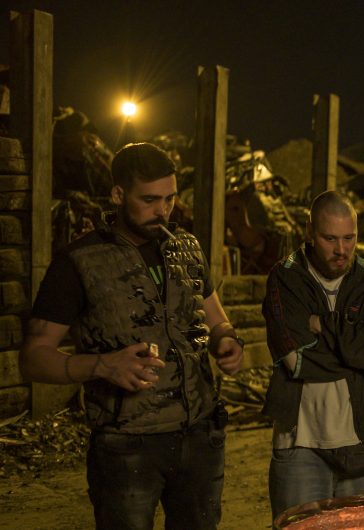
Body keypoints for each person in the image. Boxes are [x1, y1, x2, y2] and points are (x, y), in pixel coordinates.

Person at [19, 142, 244, 530]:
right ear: (118, 194)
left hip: (200, 435)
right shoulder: (80, 262)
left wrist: (227, 342)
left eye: (170, 198)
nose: (163, 210)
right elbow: (34, 357)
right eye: (150, 200)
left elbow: (217, 320)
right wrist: (103, 365)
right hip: (127, 446)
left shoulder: (187, 249)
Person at [262, 190, 364, 520]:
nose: (341, 250)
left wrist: (324, 325)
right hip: (300, 447)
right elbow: (297, 360)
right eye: (330, 239)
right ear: (309, 233)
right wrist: (362, 352)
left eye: (349, 238)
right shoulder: (286, 277)